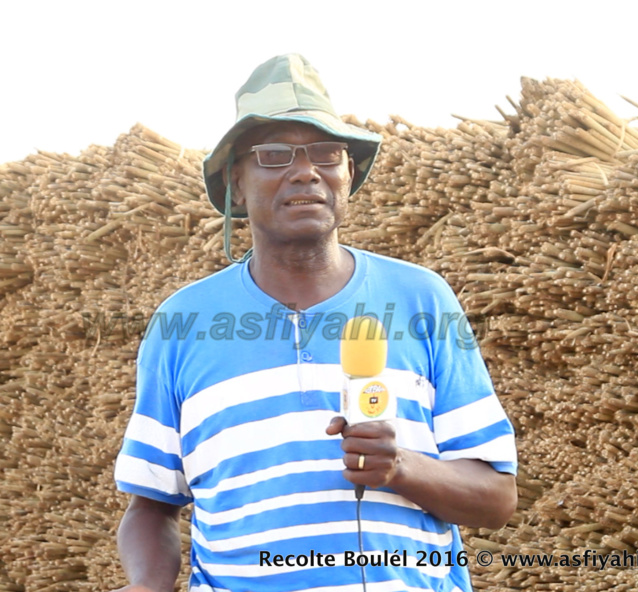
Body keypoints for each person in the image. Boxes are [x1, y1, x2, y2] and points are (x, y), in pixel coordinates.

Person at [113, 54, 517, 592]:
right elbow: (151, 506)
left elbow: (496, 499)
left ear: (348, 172)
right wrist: (147, 587)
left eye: (326, 152)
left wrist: (401, 466)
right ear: (236, 181)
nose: (305, 170)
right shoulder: (182, 322)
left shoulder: (421, 299)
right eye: (274, 154)